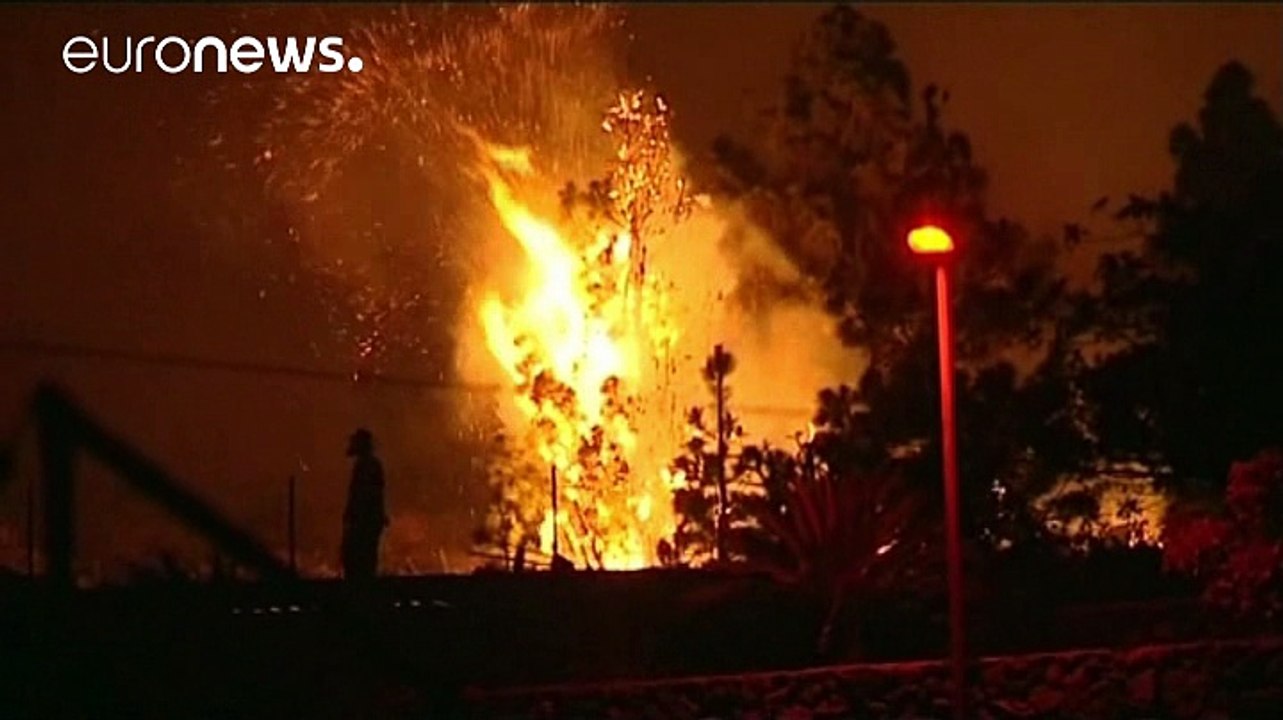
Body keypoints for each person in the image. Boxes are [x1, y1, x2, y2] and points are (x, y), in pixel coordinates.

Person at [341, 428, 387, 581]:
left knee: (359, 558)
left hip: (365, 521)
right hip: (369, 520)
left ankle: (360, 592)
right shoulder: (370, 464)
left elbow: (364, 495)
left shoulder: (366, 466)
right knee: (364, 559)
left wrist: (353, 515)